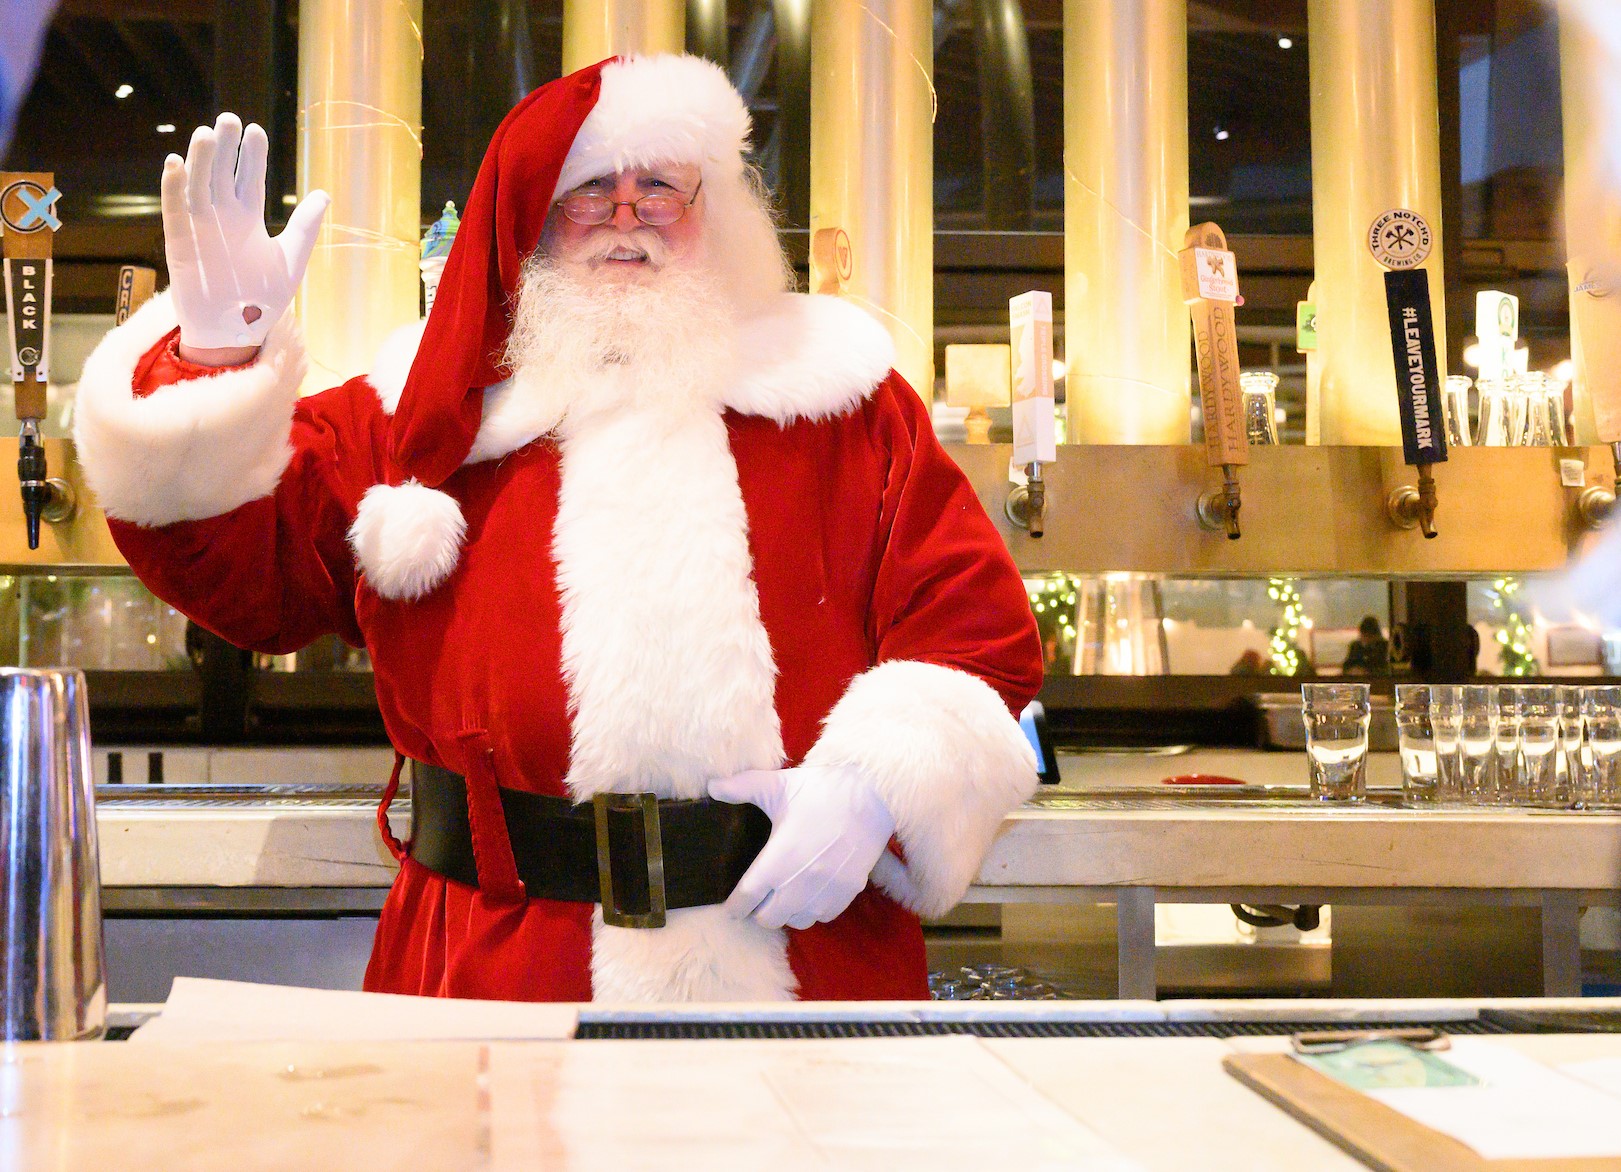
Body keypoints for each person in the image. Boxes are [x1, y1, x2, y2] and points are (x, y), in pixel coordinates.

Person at [72, 55, 1043, 1003]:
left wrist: (878, 785)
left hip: (803, 953)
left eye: (660, 186)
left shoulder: (841, 405)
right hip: (496, 966)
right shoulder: (416, 417)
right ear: (527, 220)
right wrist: (214, 350)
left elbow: (975, 627)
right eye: (587, 191)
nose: (627, 217)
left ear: (717, 214)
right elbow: (240, 571)